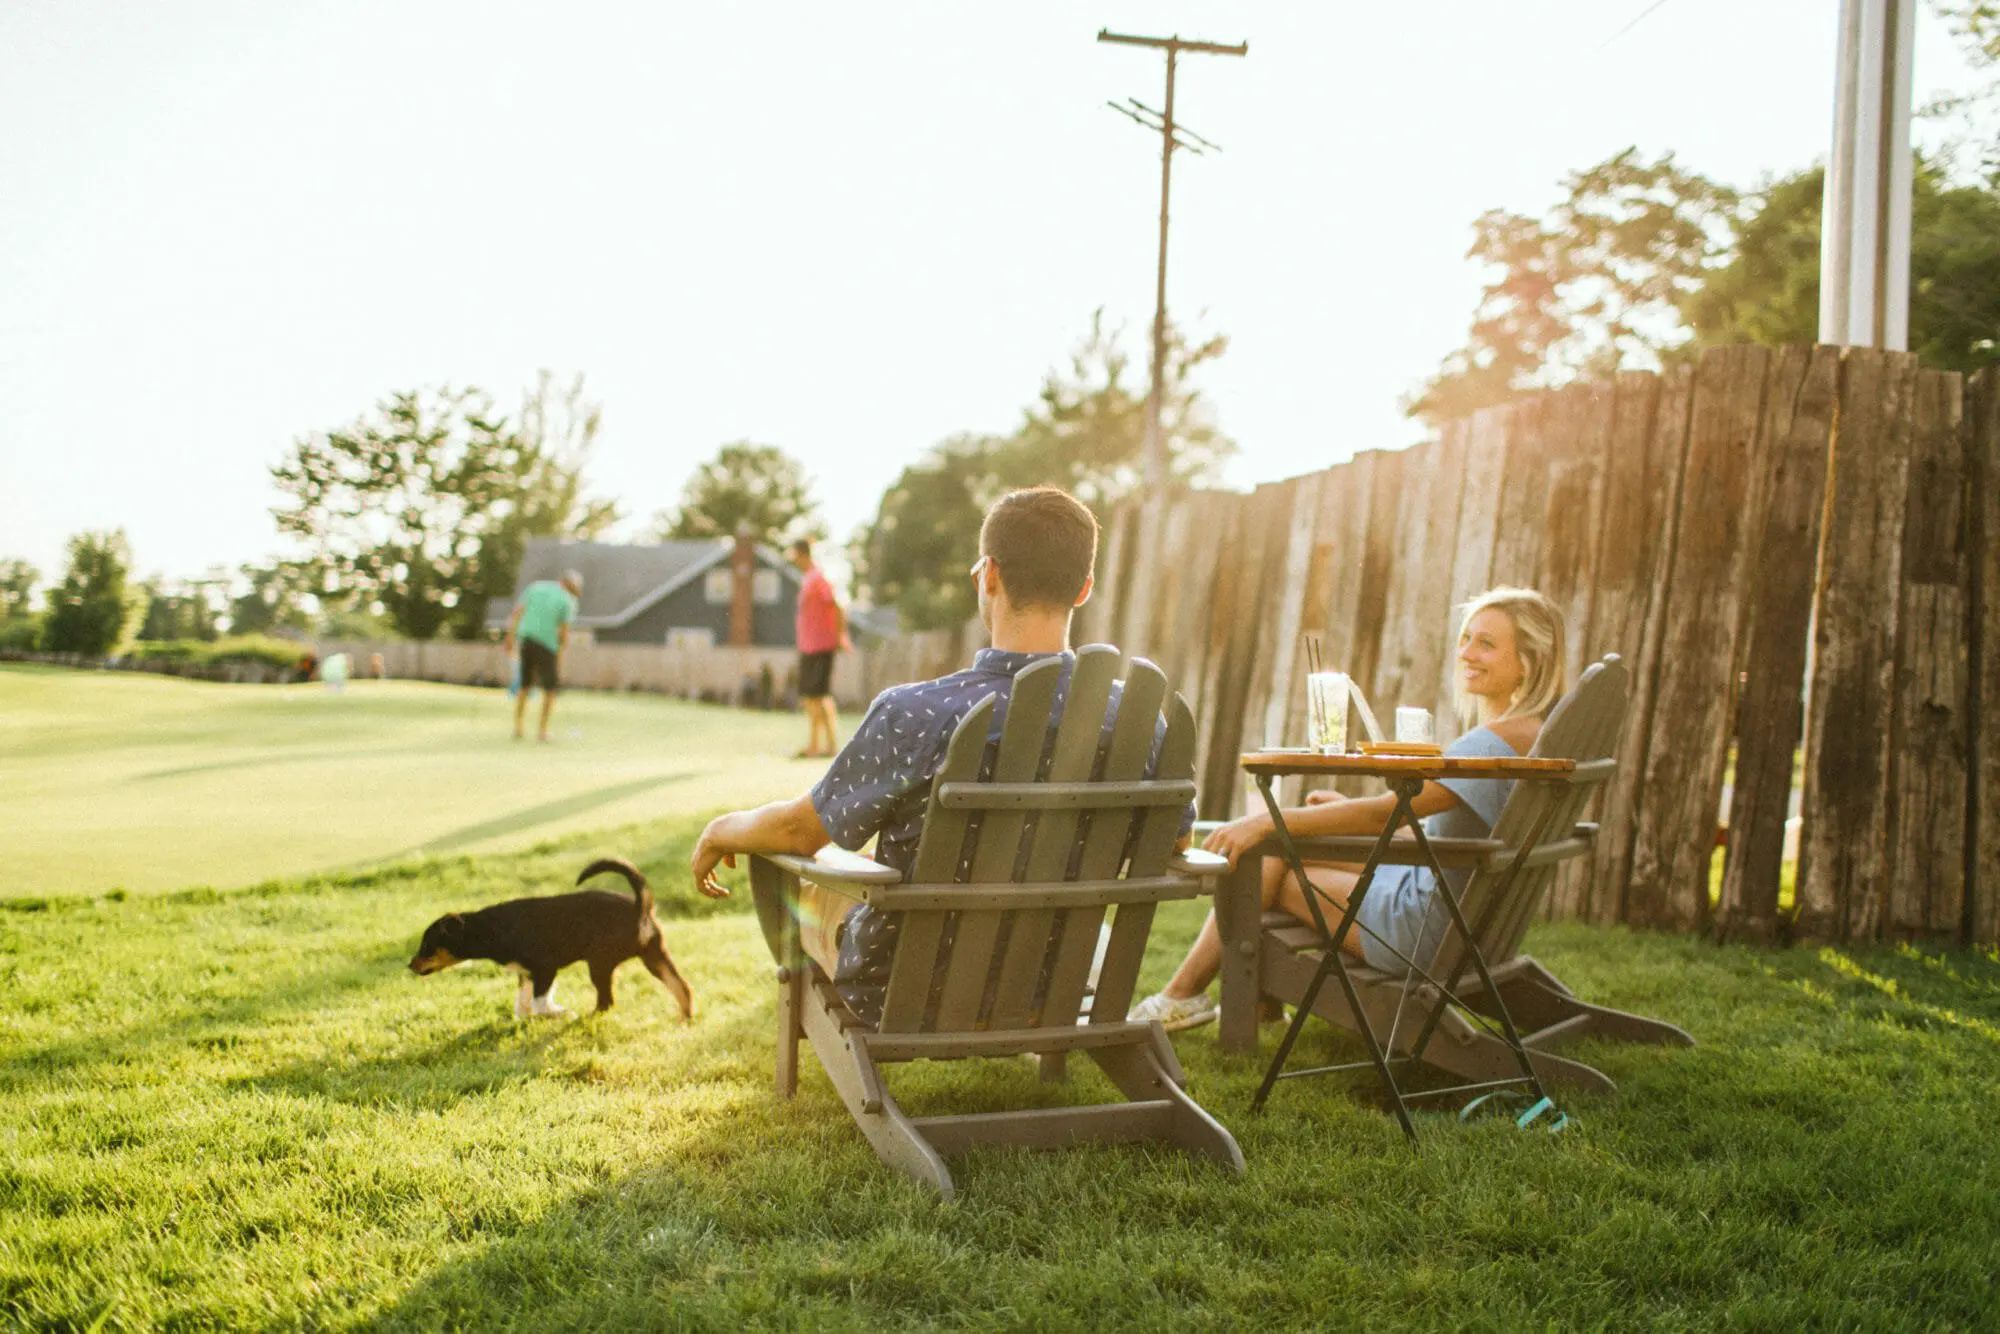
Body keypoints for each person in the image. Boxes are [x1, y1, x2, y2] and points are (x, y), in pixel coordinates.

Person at [690, 486, 1193, 1025]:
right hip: (1064, 983)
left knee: (807, 874)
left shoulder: (915, 712)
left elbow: (797, 832)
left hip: (911, 990)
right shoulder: (1139, 721)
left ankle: (803, 1021)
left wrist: (722, 827)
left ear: (989, 575)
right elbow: (1176, 842)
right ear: (1084, 589)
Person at [1127, 586, 1570, 1032]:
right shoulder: (1532, 735)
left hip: (1425, 933)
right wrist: (1312, 821)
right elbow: (1446, 837)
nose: (1467, 653)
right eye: (1466, 638)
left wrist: (1268, 821)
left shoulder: (1490, 744)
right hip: (1467, 921)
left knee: (1267, 856)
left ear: (1527, 663)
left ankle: (1184, 994)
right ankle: (1250, 1004)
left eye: (1487, 644)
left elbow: (1387, 812)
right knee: (1281, 845)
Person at [505, 569, 582, 742]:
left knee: (525, 685)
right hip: (547, 645)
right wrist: (560, 654)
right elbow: (563, 634)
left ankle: (518, 727)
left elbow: (517, 613)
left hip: (526, 640)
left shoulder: (535, 587)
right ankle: (542, 731)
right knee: (550, 689)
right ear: (571, 586)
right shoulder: (568, 601)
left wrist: (510, 636)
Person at [787, 537, 846, 758]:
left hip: (821, 645)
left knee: (818, 696)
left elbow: (838, 605)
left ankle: (823, 746)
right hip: (809, 647)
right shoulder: (808, 579)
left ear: (801, 554)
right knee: (814, 696)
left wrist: (840, 636)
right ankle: (821, 744)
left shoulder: (818, 578)